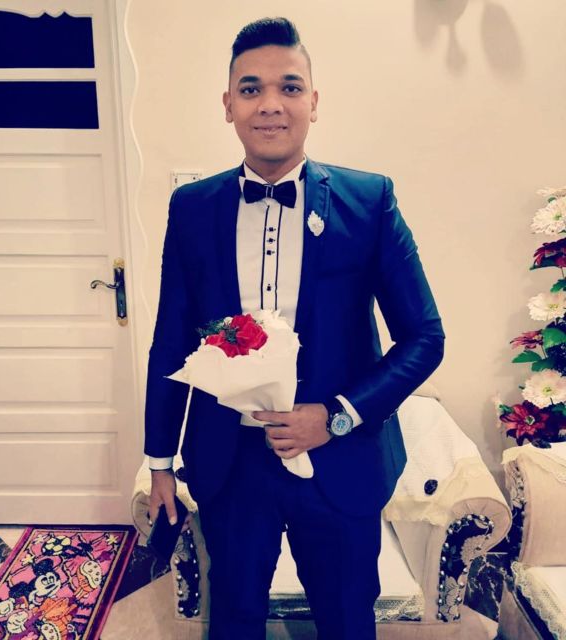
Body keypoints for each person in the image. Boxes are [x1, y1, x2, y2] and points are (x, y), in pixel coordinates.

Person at [145, 17, 444, 640]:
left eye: (289, 86)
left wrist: (336, 416)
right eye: (250, 89)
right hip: (229, 462)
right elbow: (172, 339)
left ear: (313, 101)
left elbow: (424, 338)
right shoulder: (192, 208)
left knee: (346, 621)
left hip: (339, 459)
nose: (270, 104)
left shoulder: (369, 200)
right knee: (233, 620)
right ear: (228, 105)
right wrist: (159, 461)